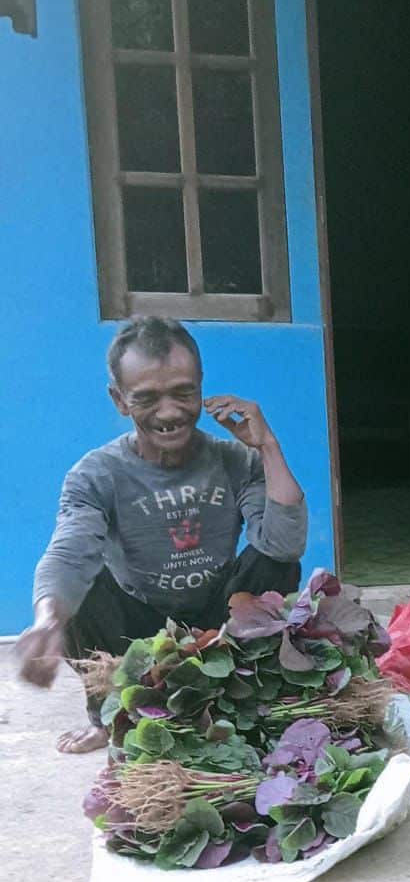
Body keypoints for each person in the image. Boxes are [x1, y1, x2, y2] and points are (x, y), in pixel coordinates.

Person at [17, 317, 307, 754]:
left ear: (201, 385)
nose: (169, 412)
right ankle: (107, 714)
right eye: (147, 398)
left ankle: (246, 690)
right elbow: (70, 552)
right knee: (80, 586)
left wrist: (267, 446)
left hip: (215, 620)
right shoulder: (97, 474)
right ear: (119, 400)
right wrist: (48, 620)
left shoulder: (233, 460)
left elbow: (285, 545)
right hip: (136, 627)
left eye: (183, 392)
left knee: (275, 563)